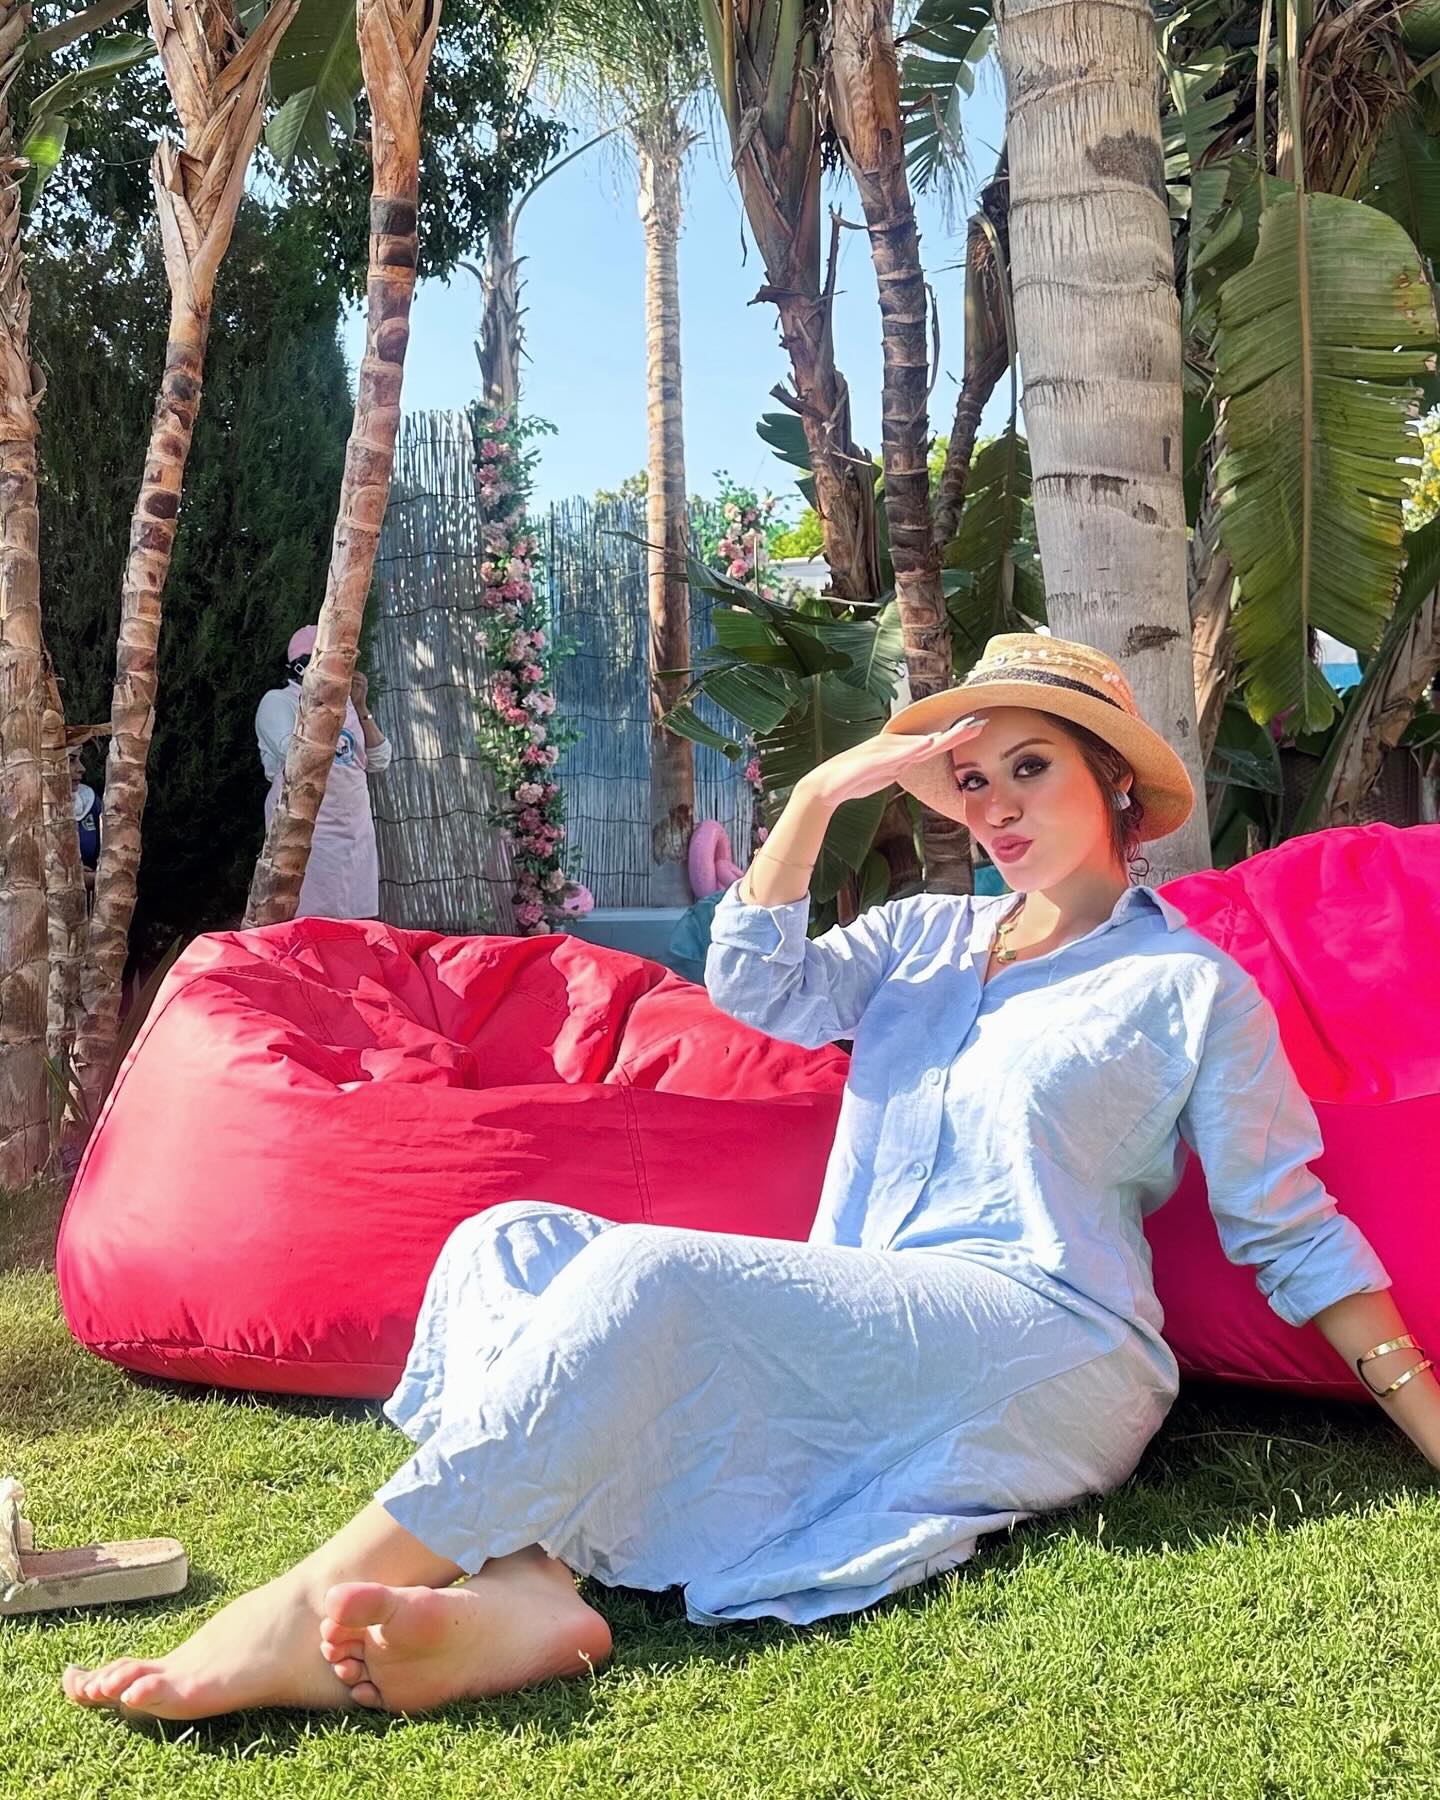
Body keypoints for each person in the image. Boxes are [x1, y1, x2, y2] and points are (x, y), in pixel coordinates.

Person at [64, 632, 1440, 1724]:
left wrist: (1424, 1418)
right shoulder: (919, 939)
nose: (999, 805)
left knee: (654, 1275)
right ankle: (534, 1589)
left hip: (1046, 1335)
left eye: (1032, 769)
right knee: (505, 1242)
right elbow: (755, 982)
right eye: (974, 779)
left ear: (1114, 784)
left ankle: (321, 1585)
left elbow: (1290, 1228)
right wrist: (820, 795)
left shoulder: (1189, 989)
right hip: (871, 1301)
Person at [254, 625, 393, 920]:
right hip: (307, 837)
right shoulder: (278, 702)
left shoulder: (349, 708)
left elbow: (380, 759)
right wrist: (323, 702)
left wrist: (360, 706)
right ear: (305, 665)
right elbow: (293, 755)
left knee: (353, 924)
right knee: (308, 921)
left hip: (353, 834)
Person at [69, 745, 101, 897]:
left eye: (79, 759)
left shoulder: (90, 800)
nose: (82, 768)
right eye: (71, 760)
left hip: (89, 910)